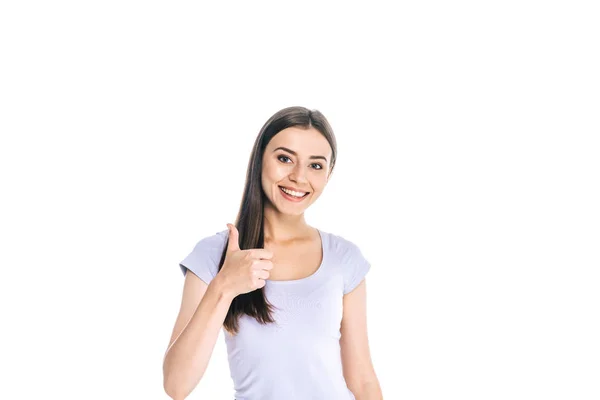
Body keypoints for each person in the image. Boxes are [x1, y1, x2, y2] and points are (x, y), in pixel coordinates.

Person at [162, 106, 383, 400]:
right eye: (284, 158)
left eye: (315, 165)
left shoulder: (344, 257)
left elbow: (363, 380)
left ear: (328, 175)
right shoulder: (215, 254)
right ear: (259, 160)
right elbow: (176, 385)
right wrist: (224, 286)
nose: (298, 177)